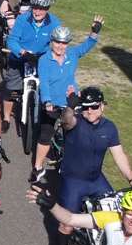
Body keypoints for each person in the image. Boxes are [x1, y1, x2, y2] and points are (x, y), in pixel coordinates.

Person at [43, 85, 132, 245]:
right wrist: (70, 106)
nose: (90, 111)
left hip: (96, 180)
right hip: (73, 182)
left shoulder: (109, 128)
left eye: (94, 106)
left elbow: (119, 155)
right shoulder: (75, 122)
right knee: (66, 225)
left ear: (102, 106)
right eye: (86, 107)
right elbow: (66, 119)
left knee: (117, 214)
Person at [30, 20, 101, 170]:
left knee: (76, 132)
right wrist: (47, 101)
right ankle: (37, 166)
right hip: (52, 103)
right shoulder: (44, 60)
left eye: (64, 43)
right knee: (46, 134)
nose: (60, 47)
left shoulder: (72, 54)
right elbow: (45, 82)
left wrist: (94, 32)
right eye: (57, 42)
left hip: (70, 101)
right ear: (52, 42)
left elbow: (86, 46)